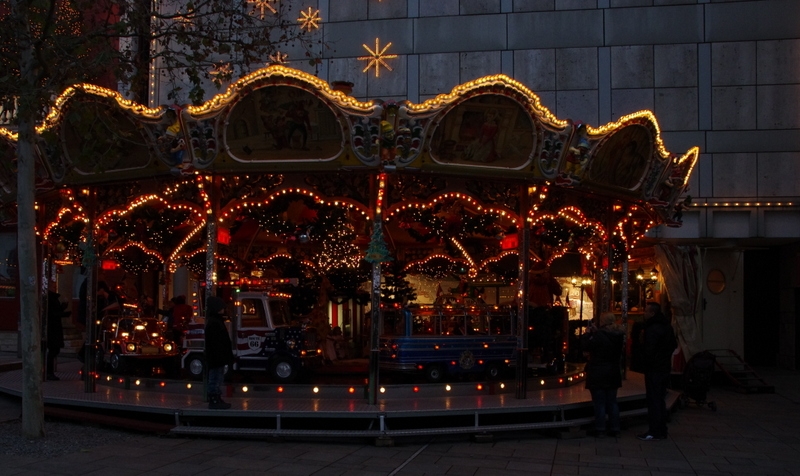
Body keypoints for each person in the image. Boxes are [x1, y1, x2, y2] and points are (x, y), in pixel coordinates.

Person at [639, 302, 678, 441]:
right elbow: (673, 344)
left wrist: (647, 361)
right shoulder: (667, 327)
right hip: (664, 367)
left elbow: (649, 350)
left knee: (654, 399)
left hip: (654, 369)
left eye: (646, 311)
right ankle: (661, 429)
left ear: (652, 313)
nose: (644, 313)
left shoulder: (652, 329)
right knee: (660, 399)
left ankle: (654, 430)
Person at [583, 312, 625, 437]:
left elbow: (586, 346)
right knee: (612, 401)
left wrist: (588, 334)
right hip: (613, 370)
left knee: (599, 402)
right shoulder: (618, 335)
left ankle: (600, 428)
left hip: (599, 371)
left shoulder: (600, 336)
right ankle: (615, 428)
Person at [205, 296, 233, 410]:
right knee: (215, 378)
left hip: (217, 355)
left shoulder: (214, 321)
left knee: (218, 377)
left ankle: (217, 397)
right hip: (217, 355)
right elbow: (216, 341)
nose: (223, 309)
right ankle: (214, 399)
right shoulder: (215, 323)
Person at [45, 290, 68, 381]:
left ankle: (49, 372)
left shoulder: (53, 298)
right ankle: (49, 372)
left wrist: (63, 308)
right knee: (53, 350)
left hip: (53, 327)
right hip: (52, 328)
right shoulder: (51, 299)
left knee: (54, 350)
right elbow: (53, 313)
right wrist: (63, 312)